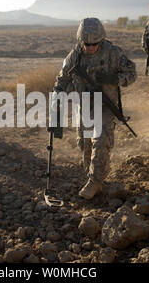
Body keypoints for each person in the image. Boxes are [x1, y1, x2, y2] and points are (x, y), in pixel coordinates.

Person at [51, 17, 136, 200]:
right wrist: (57, 98)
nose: (90, 47)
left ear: (102, 39)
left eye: (94, 44)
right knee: (85, 144)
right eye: (86, 44)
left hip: (105, 106)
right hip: (84, 106)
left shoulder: (113, 53)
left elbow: (131, 73)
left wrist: (115, 79)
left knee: (100, 141)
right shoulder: (75, 55)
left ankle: (95, 181)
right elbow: (62, 79)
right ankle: (93, 173)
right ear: (80, 40)